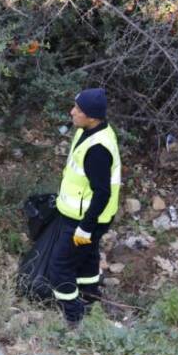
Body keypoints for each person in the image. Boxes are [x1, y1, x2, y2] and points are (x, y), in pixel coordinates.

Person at [49, 88, 121, 327]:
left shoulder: (98, 149)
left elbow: (102, 193)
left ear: (91, 116)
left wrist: (85, 228)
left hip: (84, 220)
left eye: (78, 110)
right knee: (88, 260)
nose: (72, 112)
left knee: (60, 266)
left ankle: (73, 316)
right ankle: (90, 300)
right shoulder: (92, 131)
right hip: (85, 216)